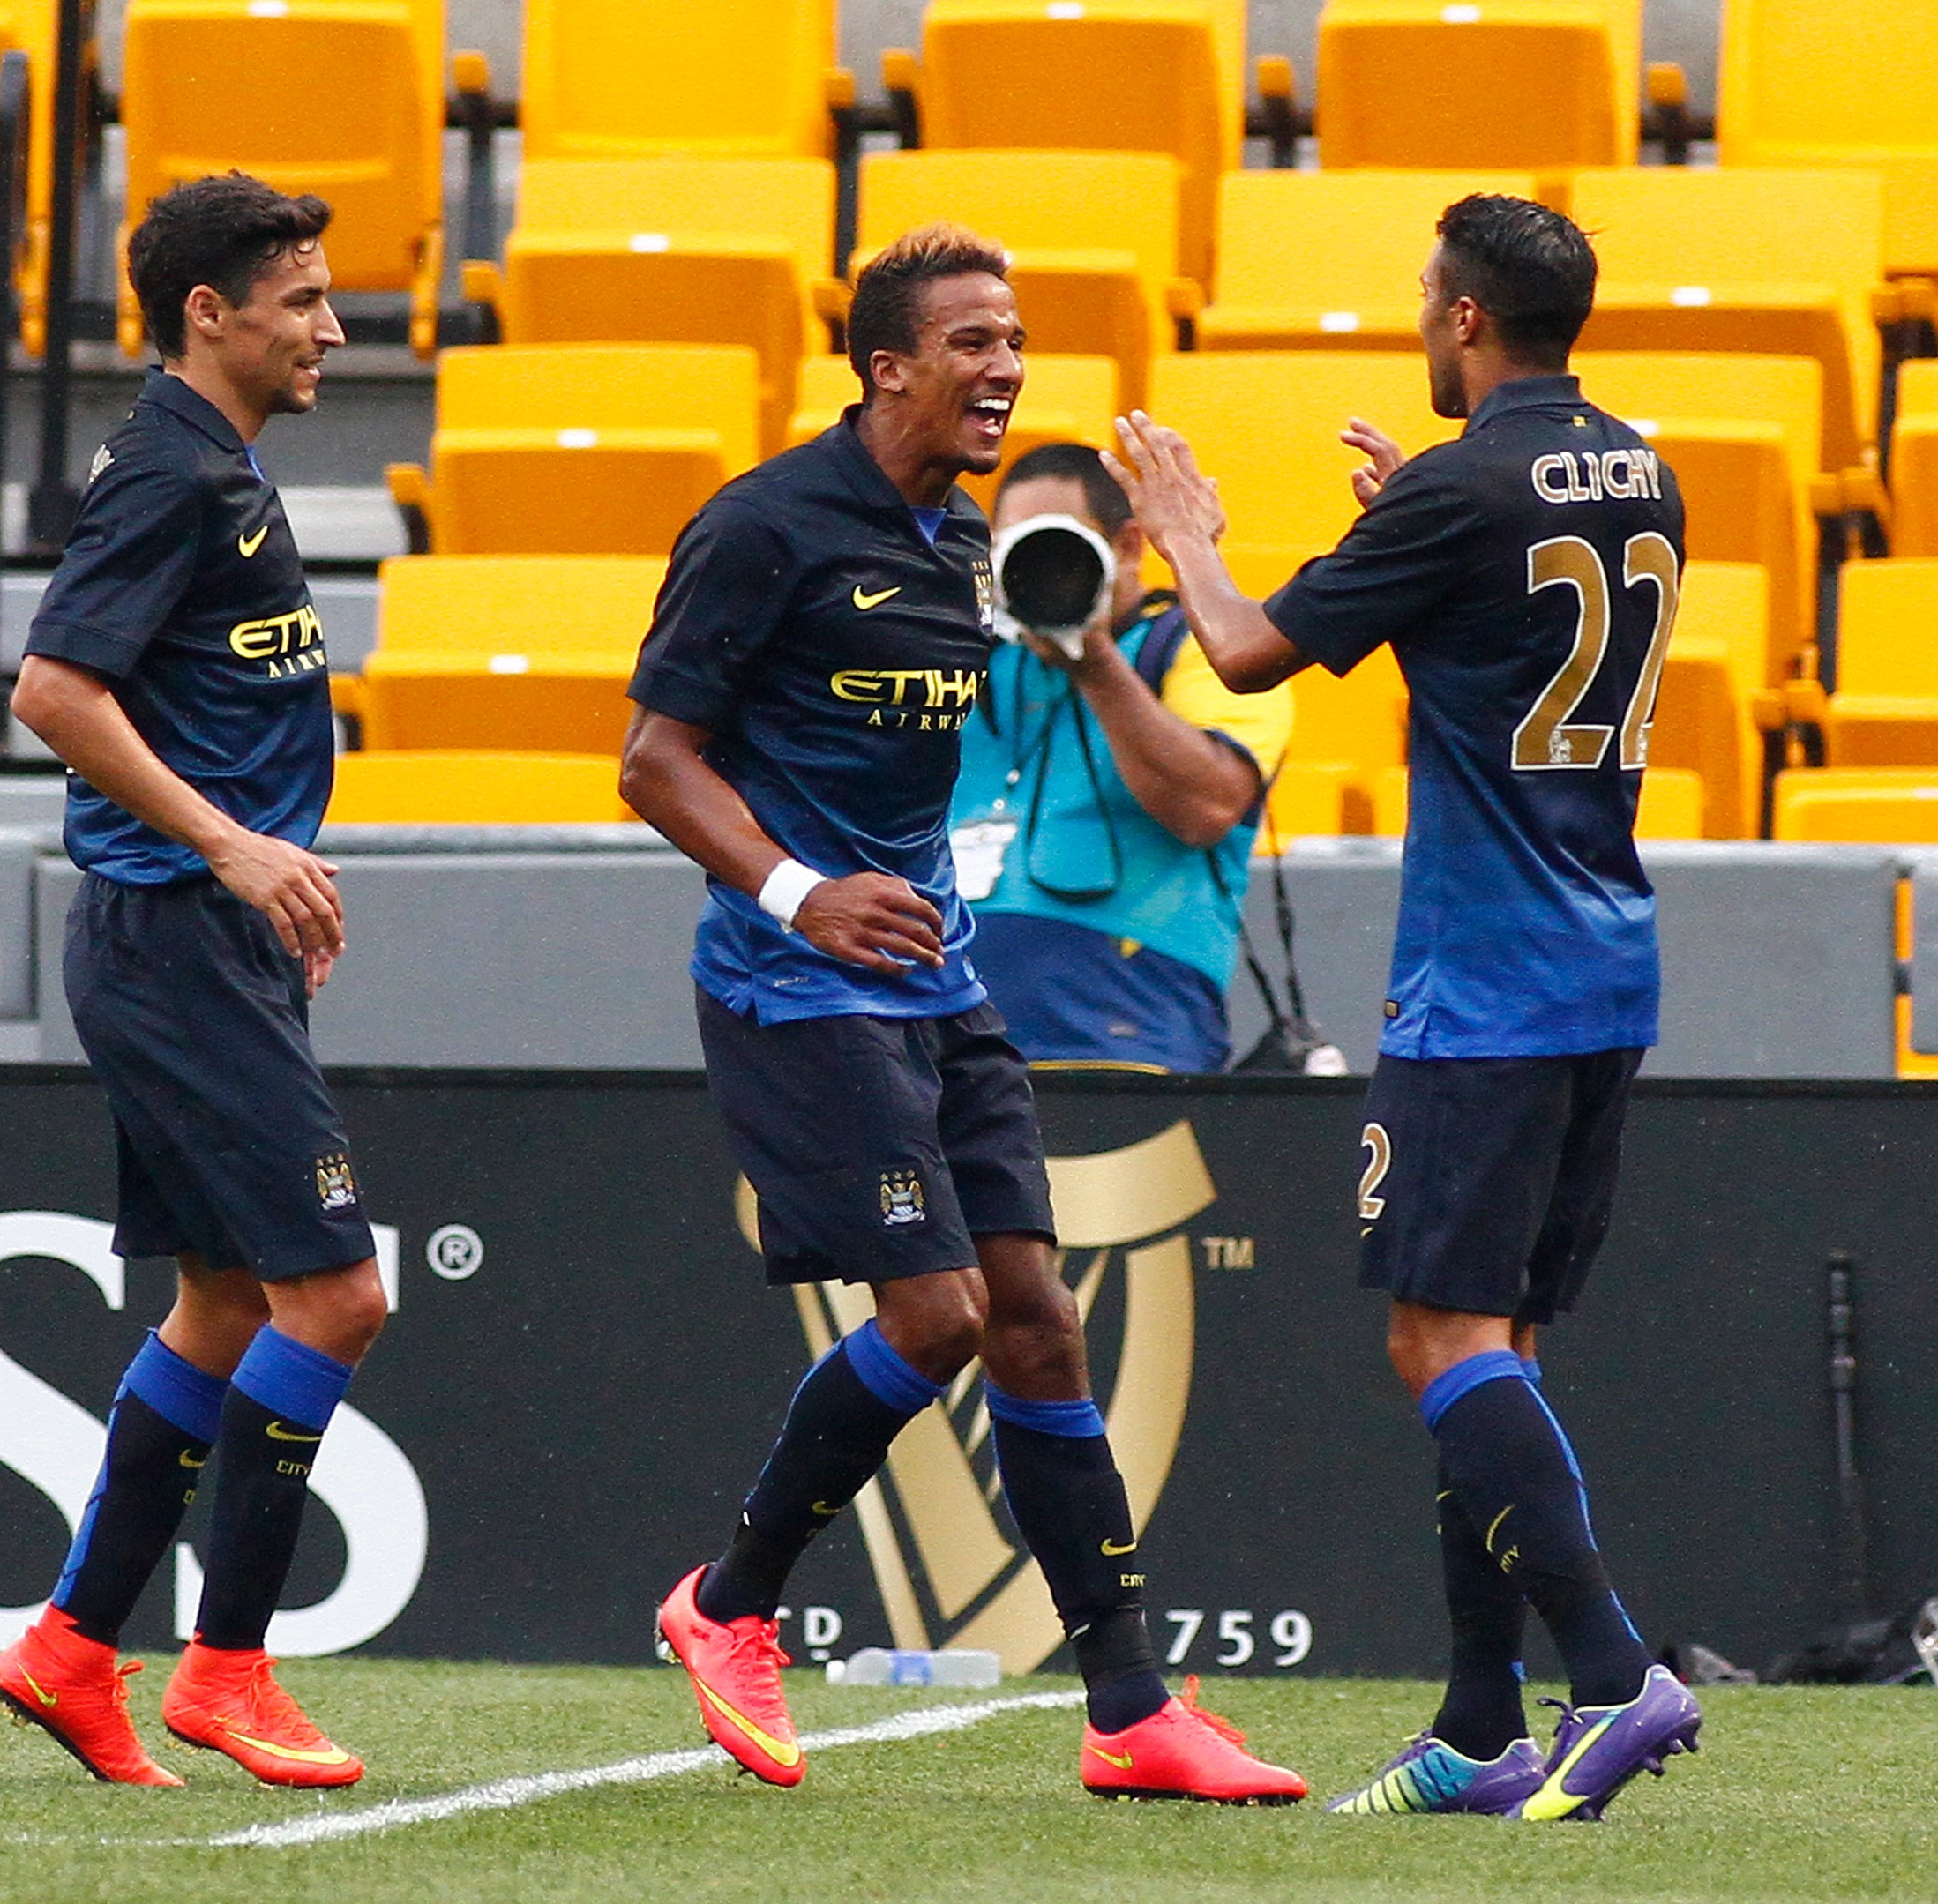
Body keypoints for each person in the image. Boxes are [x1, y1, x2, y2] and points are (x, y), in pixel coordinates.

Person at [620, 222, 1303, 1805]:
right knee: (934, 1319)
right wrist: (803, 891)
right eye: (973, 341)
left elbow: (1194, 759)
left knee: (1039, 1317)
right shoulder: (765, 527)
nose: (1005, 367)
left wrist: (1170, 564)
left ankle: (1131, 1709)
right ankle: (726, 1602)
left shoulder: (962, 552)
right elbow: (656, 758)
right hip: (798, 982)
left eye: (1017, 339)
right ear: (886, 366)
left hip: (942, 984)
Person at [1105, 194, 1703, 1822]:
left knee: (1435, 1335)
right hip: (1604, 965)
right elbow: (1509, 627)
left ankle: (1613, 1668)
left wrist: (1186, 530)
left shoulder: (1459, 487)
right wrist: (1414, 536)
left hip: (1487, 981)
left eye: (1423, 296)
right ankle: (1480, 1719)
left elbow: (1233, 653)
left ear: (1461, 320)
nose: (1417, 317)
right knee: (1493, 1338)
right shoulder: (1641, 464)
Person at [0, 173, 385, 1792]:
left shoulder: (216, 463)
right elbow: (51, 688)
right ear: (208, 313)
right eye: (300, 298)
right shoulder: (169, 469)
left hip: (202, 942)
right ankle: (226, 1664)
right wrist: (234, 845)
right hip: (173, 936)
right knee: (338, 1294)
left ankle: (75, 1643)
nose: (332, 328)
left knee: (224, 1298)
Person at [948, 442, 1292, 1072]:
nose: (1039, 572)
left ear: (1129, 547)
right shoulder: (961, 660)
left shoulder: (1204, 652)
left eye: (1060, 548)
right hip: (939, 1024)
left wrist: (1096, 663)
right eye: (1016, 553)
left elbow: (1209, 806)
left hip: (1125, 1033)